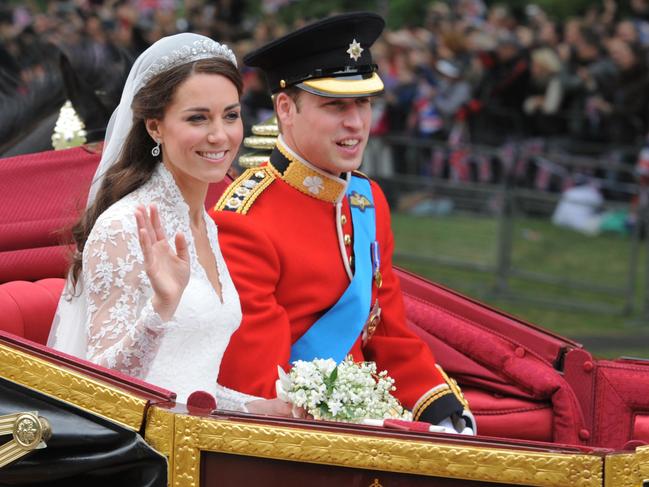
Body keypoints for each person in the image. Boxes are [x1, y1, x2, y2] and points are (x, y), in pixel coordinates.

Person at [211, 13, 474, 434]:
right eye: (335, 105)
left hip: (364, 417)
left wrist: (440, 411)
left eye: (364, 103)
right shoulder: (245, 217)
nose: (355, 123)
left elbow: (387, 332)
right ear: (285, 108)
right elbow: (259, 387)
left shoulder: (367, 201)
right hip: (304, 434)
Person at [47, 33, 294, 416]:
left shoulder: (205, 226)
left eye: (230, 115)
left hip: (197, 440)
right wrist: (159, 310)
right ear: (155, 128)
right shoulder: (123, 227)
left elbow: (189, 384)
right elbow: (99, 385)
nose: (219, 135)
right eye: (198, 118)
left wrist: (261, 408)